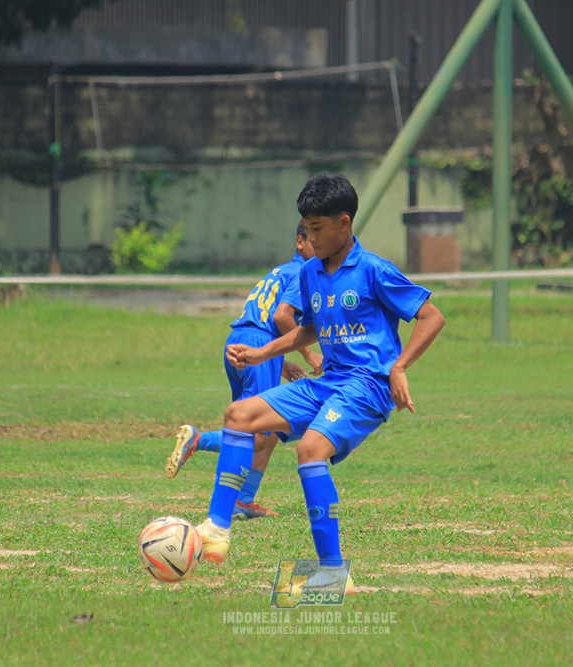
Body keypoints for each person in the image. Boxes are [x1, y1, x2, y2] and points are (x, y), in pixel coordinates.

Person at [195, 173, 445, 595]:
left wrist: (400, 367)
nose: (309, 239)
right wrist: (262, 354)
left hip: (367, 386)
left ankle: (333, 573)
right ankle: (218, 531)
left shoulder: (373, 270)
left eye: (317, 229)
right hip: (329, 382)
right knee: (239, 416)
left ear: (343, 224)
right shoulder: (310, 273)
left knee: (311, 449)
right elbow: (308, 329)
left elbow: (431, 316)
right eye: (306, 229)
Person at [165, 222, 323, 519]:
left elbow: (264, 314)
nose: (321, 246)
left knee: (273, 425)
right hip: (259, 341)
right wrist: (309, 354)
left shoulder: (279, 271)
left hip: (240, 342)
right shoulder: (305, 271)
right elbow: (282, 316)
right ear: (300, 242)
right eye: (315, 240)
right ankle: (198, 440)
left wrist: (281, 362)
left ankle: (244, 500)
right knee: (257, 433)